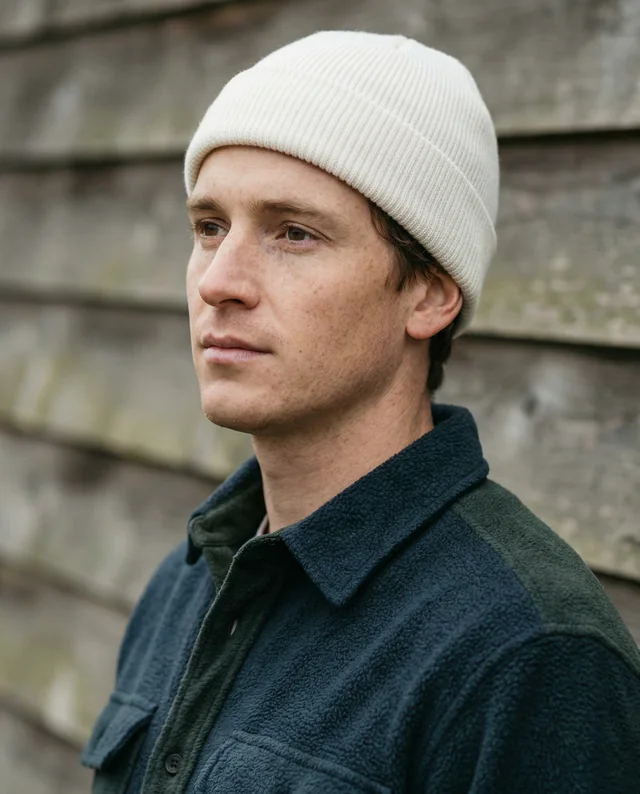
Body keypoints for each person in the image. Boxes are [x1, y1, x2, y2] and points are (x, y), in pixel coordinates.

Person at [81, 31, 640, 793]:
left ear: (430, 294)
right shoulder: (191, 581)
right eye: (210, 227)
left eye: (294, 233)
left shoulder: (530, 655)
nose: (218, 281)